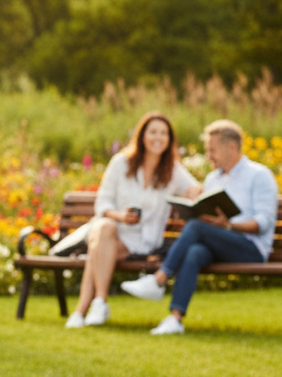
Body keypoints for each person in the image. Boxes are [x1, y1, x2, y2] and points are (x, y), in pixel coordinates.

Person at [121, 119, 278, 335]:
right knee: (195, 251)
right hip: (219, 244)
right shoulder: (213, 178)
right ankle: (175, 319)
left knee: (196, 228)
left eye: (212, 150)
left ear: (231, 147)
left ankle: (159, 279)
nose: (208, 156)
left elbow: (264, 223)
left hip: (251, 248)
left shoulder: (259, 175)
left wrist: (229, 225)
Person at [66, 111, 201, 328]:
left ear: (169, 139)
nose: (158, 138)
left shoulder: (172, 169)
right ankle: (98, 302)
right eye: (153, 132)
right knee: (103, 228)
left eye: (164, 133)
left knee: (96, 250)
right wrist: (121, 216)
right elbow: (102, 204)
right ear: (142, 136)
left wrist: (192, 193)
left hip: (147, 242)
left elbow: (194, 188)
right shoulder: (121, 163)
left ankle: (84, 310)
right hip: (117, 234)